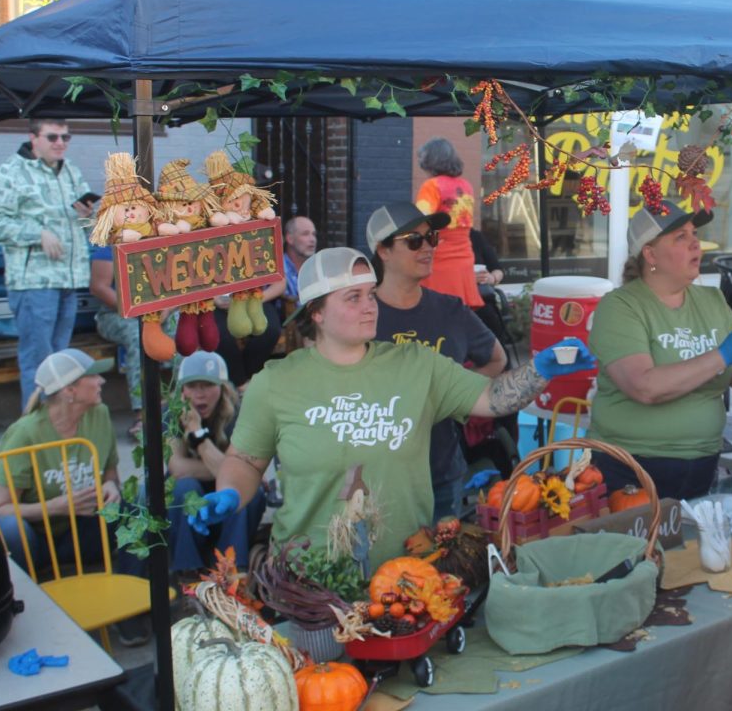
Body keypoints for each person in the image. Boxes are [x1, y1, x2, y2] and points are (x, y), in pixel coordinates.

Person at [188, 247, 594, 568]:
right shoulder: (275, 383)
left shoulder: (415, 364)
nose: (370, 306)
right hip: (308, 575)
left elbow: (491, 398)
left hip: (406, 572)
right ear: (317, 313)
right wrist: (227, 494)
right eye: (353, 298)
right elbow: (245, 460)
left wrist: (541, 370)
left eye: (370, 294)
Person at [587, 200, 732, 500]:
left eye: (694, 233)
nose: (695, 243)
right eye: (680, 237)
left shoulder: (712, 301)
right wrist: (721, 355)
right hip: (630, 469)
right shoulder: (620, 307)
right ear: (650, 254)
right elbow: (644, 387)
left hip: (702, 465)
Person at [0, 348, 149, 646]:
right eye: (94, 376)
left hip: (84, 530)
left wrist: (112, 488)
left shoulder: (99, 414)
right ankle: (26, 617)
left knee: (137, 510)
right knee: (12, 529)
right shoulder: (24, 433)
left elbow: (110, 474)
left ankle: (129, 611)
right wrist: (54, 507)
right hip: (38, 540)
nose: (103, 381)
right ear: (70, 390)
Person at [367, 202, 508, 520]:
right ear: (383, 251)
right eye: (414, 241)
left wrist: (455, 397)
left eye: (431, 237)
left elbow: (497, 358)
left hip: (441, 472)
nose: (428, 247)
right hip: (377, 478)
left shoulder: (450, 310)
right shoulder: (361, 314)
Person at [0, 119, 96, 409]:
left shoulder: (71, 171)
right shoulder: (11, 172)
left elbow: (86, 224)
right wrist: (37, 234)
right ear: (33, 138)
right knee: (38, 361)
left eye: (66, 137)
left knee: (60, 361)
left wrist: (87, 214)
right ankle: (36, 430)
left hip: (69, 279)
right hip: (34, 283)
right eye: (52, 137)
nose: (60, 143)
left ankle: (58, 424)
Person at [166, 351, 264, 578]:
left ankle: (231, 572)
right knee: (185, 486)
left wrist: (198, 436)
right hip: (187, 508)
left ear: (222, 388)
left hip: (227, 508)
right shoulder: (171, 413)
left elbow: (239, 477)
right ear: (182, 390)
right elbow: (177, 468)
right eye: (192, 386)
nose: (200, 395)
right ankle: (187, 573)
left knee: (247, 491)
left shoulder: (240, 413)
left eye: (208, 386)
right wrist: (232, 467)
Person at [415, 138, 483, 307]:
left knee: (435, 309)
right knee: (459, 311)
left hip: (440, 257)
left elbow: (420, 220)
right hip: (465, 256)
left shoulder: (431, 186)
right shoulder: (466, 186)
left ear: (430, 160)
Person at [88, 243, 143, 436]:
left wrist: (165, 311)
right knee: (139, 336)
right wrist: (135, 311)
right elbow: (98, 287)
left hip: (154, 312)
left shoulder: (157, 238)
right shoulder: (108, 249)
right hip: (115, 314)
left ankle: (183, 407)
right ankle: (142, 414)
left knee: (183, 329)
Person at [211, 274, 287, 388]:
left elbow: (280, 283)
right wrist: (214, 298)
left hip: (256, 298)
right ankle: (239, 383)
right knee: (222, 335)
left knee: (271, 329)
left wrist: (257, 298)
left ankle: (251, 378)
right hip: (216, 304)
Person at [282, 215, 317, 307]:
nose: (312, 239)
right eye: (305, 234)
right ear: (290, 239)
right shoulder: (277, 268)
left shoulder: (318, 268)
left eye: (313, 234)